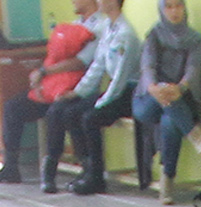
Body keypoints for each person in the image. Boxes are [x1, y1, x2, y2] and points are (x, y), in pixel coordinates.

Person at [0, 0, 97, 187]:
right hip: (54, 85)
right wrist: (40, 78)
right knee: (14, 107)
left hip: (77, 90)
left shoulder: (98, 29)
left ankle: (50, 172)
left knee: (56, 113)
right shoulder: (74, 25)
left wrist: (45, 72)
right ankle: (10, 166)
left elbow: (81, 62)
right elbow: (55, 57)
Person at [43, 0, 141, 195]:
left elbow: (121, 79)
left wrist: (100, 103)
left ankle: (97, 177)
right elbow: (98, 65)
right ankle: (87, 171)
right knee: (70, 112)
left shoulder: (126, 34)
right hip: (115, 90)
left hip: (130, 92)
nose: (98, 2)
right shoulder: (108, 27)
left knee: (90, 117)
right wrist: (77, 92)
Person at [130, 0, 201, 205]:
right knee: (167, 101)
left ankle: (167, 180)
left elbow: (193, 69)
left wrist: (180, 87)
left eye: (178, 6)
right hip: (147, 100)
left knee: (170, 121)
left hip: (178, 97)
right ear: (162, 10)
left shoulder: (195, 39)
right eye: (169, 7)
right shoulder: (154, 35)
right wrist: (154, 87)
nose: (174, 11)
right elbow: (148, 65)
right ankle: (193, 133)